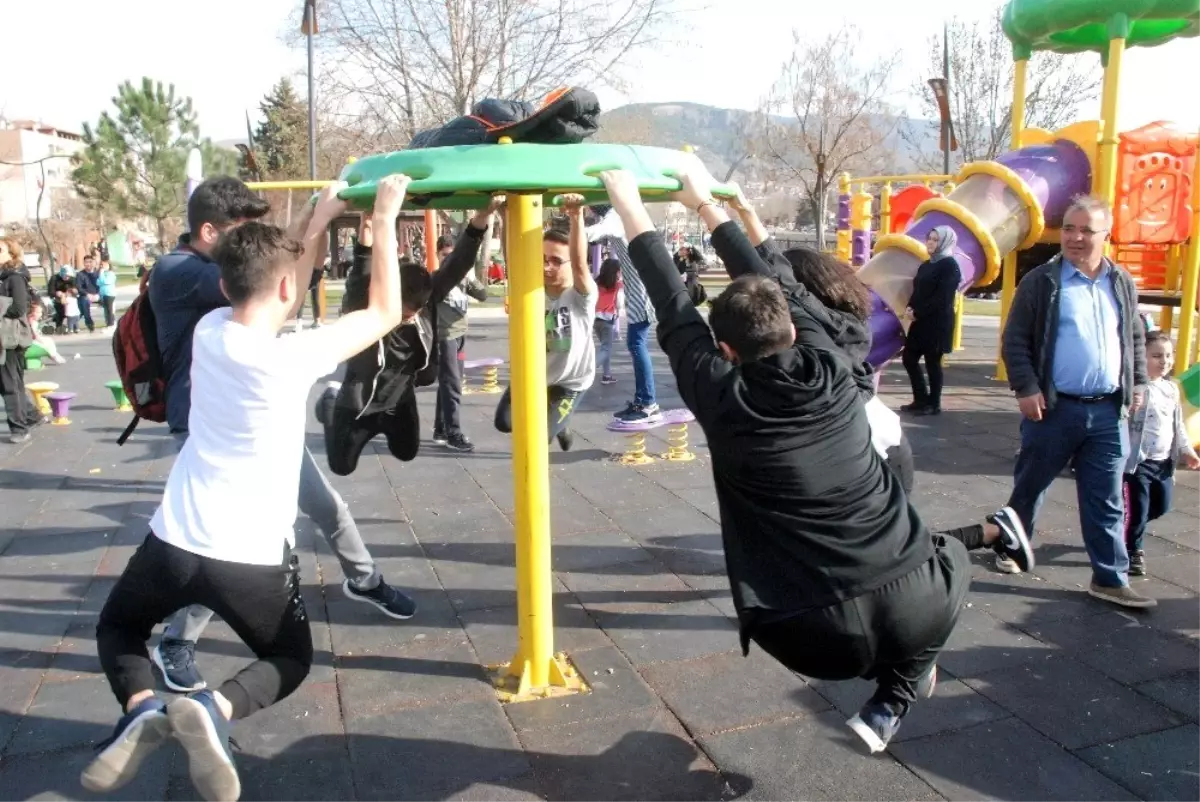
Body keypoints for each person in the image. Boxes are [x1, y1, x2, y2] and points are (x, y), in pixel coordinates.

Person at [597, 166, 980, 754]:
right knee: (950, 549)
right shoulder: (836, 365)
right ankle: (899, 687)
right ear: (794, 332)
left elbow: (673, 304)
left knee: (919, 565)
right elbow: (766, 278)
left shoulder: (721, 396)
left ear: (724, 350)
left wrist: (627, 207)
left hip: (807, 637)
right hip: (917, 606)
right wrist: (696, 204)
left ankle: (897, 687)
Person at [82, 177, 412, 800]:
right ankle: (215, 710)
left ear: (225, 284)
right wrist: (387, 218)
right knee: (288, 660)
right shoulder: (293, 358)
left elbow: (277, 283)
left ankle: (146, 705)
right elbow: (384, 313)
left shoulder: (209, 334)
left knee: (118, 631)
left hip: (173, 543)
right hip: (251, 560)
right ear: (288, 289)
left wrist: (320, 218)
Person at [148, 176, 415, 699]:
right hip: (212, 427)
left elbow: (277, 281)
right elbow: (278, 283)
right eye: (243, 232)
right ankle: (176, 643)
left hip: (257, 418)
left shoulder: (217, 316)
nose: (252, 243)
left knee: (326, 506)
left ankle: (363, 579)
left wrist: (317, 221)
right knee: (222, 545)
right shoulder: (181, 272)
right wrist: (374, 223)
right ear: (210, 232)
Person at [1002, 194, 1153, 608]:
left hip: (1107, 410)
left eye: (1087, 230)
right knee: (1032, 483)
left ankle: (1109, 577)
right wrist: (1026, 387)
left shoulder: (1120, 282)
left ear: (1107, 235)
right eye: (1069, 227)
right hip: (1054, 407)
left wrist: (1138, 383)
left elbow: (1134, 339)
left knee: (1105, 497)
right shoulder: (1042, 282)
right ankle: (1014, 543)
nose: (1075, 237)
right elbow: (1015, 340)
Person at [317, 199, 500, 471]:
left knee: (406, 452)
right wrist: (369, 225)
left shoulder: (426, 300)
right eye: (404, 313)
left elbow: (458, 264)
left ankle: (392, 421)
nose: (411, 316)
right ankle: (330, 403)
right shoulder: (367, 303)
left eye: (415, 311)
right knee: (341, 466)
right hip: (360, 403)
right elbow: (362, 266)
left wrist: (480, 219)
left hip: (397, 402)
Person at [494, 195, 596, 450]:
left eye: (556, 261)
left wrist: (576, 216)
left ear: (569, 264)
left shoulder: (580, 296)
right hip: (533, 374)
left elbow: (582, 265)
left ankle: (560, 423)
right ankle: (560, 423)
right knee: (504, 423)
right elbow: (513, 259)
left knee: (540, 436)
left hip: (569, 381)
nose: (546, 266)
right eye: (542, 258)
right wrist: (506, 216)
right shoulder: (531, 289)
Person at [1123, 331, 1200, 576]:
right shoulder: (1136, 389)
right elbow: (1121, 418)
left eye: (1168, 355)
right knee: (1138, 510)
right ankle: (1134, 550)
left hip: (1164, 462)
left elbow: (1177, 423)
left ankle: (1123, 528)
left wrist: (1186, 450)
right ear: (1141, 358)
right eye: (1156, 356)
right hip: (1139, 463)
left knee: (1162, 506)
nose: (1164, 361)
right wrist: (1129, 405)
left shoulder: (1171, 389)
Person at [586, 204, 660, 423]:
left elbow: (594, 233)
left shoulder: (615, 218)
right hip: (642, 291)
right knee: (635, 344)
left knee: (637, 345)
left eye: (590, 207)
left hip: (640, 295)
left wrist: (570, 233)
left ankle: (647, 402)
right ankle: (643, 400)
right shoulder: (626, 214)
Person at [434, 231, 489, 452]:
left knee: (448, 383)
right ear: (438, 256)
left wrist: (471, 278)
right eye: (444, 255)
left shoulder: (462, 279)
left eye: (452, 255)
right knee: (452, 384)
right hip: (444, 336)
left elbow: (484, 295)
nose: (448, 260)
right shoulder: (438, 278)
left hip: (460, 335)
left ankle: (441, 429)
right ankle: (453, 433)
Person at [901, 227, 961, 416]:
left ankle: (934, 404)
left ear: (944, 242)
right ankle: (920, 399)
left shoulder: (950, 265)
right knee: (909, 358)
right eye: (929, 238)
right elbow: (918, 290)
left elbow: (942, 297)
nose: (930, 242)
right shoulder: (926, 264)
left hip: (937, 323)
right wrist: (911, 307)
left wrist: (918, 312)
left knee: (932, 363)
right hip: (920, 321)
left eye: (935, 240)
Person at [1, 237, 39, 444]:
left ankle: (19, 428)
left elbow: (18, 308)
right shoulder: (3, 276)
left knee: (10, 383)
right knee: (11, 381)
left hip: (10, 337)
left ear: (11, 254)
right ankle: (32, 416)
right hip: (3, 335)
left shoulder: (14, 278)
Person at [594, 257, 623, 385]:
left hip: (595, 318)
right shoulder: (617, 285)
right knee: (606, 348)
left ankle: (606, 375)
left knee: (604, 347)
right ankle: (588, 370)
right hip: (607, 318)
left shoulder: (596, 282)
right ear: (616, 271)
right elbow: (620, 303)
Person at [75, 254, 100, 333]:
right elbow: (79, 288)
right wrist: (87, 294)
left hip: (98, 295)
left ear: (94, 263)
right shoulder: (80, 274)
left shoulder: (98, 273)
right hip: (85, 295)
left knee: (108, 297)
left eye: (90, 262)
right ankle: (89, 324)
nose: (88, 264)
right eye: (86, 262)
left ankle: (110, 323)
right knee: (84, 302)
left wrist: (98, 294)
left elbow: (103, 285)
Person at [97, 260, 119, 329]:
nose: (102, 267)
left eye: (103, 265)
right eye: (101, 265)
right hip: (103, 294)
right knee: (105, 309)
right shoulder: (102, 274)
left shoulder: (111, 274)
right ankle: (107, 322)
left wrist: (101, 274)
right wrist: (101, 275)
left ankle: (111, 323)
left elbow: (106, 281)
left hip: (110, 294)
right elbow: (98, 283)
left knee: (110, 309)